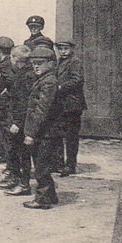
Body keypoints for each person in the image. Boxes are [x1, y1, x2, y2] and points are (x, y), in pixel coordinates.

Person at [0, 45, 35, 196]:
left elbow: (24, 102)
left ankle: (24, 184)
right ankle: (16, 179)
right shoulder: (23, 73)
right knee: (15, 151)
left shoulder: (26, 76)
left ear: (15, 59)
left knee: (23, 153)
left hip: (21, 122)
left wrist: (17, 122)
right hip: (17, 118)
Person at [22, 45, 61, 209]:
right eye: (34, 63)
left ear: (51, 64)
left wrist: (30, 133)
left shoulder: (49, 82)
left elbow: (41, 110)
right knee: (41, 163)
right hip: (44, 131)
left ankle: (43, 199)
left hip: (46, 132)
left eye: (40, 63)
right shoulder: (44, 79)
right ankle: (50, 195)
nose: (36, 66)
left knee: (41, 166)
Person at [54, 39, 87, 175]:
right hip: (62, 104)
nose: (63, 51)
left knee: (71, 136)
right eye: (60, 49)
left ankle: (70, 165)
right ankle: (59, 163)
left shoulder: (75, 61)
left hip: (72, 104)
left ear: (72, 49)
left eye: (65, 49)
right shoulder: (60, 61)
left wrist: (61, 86)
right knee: (60, 133)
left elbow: (77, 80)